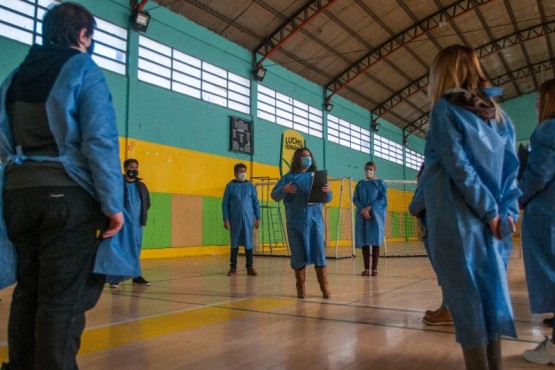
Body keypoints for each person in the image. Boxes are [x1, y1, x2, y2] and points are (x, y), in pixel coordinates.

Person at [0, 3, 124, 369]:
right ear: (84, 35)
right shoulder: (84, 69)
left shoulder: (16, 76)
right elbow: (99, 141)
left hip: (17, 195)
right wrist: (112, 203)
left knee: (29, 292)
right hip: (67, 199)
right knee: (62, 300)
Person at [420, 45, 520, 369]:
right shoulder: (498, 115)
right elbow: (510, 170)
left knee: (466, 303)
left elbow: (457, 165)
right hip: (493, 225)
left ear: (442, 74)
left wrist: (490, 211)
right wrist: (505, 212)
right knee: (490, 298)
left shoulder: (444, 111)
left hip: (456, 219)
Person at [518, 78, 555, 366]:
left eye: (537, 99)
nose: (534, 105)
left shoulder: (546, 131)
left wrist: (515, 199)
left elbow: (537, 177)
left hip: (547, 215)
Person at [271, 147, 332, 299]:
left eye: (309, 155)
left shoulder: (316, 177)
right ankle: (301, 288)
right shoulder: (288, 177)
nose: (307, 158)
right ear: (297, 158)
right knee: (297, 254)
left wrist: (328, 191)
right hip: (295, 223)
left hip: (315, 222)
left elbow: (328, 198)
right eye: (304, 155)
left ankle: (325, 288)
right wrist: (284, 189)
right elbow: (274, 195)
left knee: (319, 253)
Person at [409, 164, 452, 326]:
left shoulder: (440, 153)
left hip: (436, 216)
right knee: (442, 268)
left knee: (446, 268)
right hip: (431, 217)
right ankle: (446, 305)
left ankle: (450, 309)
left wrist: (414, 206)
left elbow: (430, 185)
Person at [109, 159, 151, 288]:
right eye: (131, 167)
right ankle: (115, 278)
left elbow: (147, 203)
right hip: (122, 224)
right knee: (120, 249)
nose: (134, 170)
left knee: (135, 249)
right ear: (125, 168)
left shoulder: (142, 186)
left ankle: (136, 276)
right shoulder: (118, 184)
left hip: (137, 224)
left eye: (136, 167)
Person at [222, 163, 260, 276]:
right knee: (235, 243)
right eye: (240, 171)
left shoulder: (250, 186)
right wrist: (226, 219)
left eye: (244, 171)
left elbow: (255, 202)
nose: (243, 173)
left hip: (248, 220)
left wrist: (258, 217)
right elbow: (225, 204)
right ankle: (233, 267)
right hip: (235, 219)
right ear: (235, 173)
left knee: (249, 243)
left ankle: (250, 267)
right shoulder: (230, 186)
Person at [353, 161, 387, 276]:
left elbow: (382, 199)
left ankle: (374, 268)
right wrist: (362, 209)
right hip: (362, 215)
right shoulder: (360, 184)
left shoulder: (380, 183)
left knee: (375, 241)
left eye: (370, 169)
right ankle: (367, 268)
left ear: (374, 170)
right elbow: (355, 198)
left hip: (376, 215)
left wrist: (369, 208)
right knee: (365, 241)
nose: (368, 171)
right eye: (366, 169)